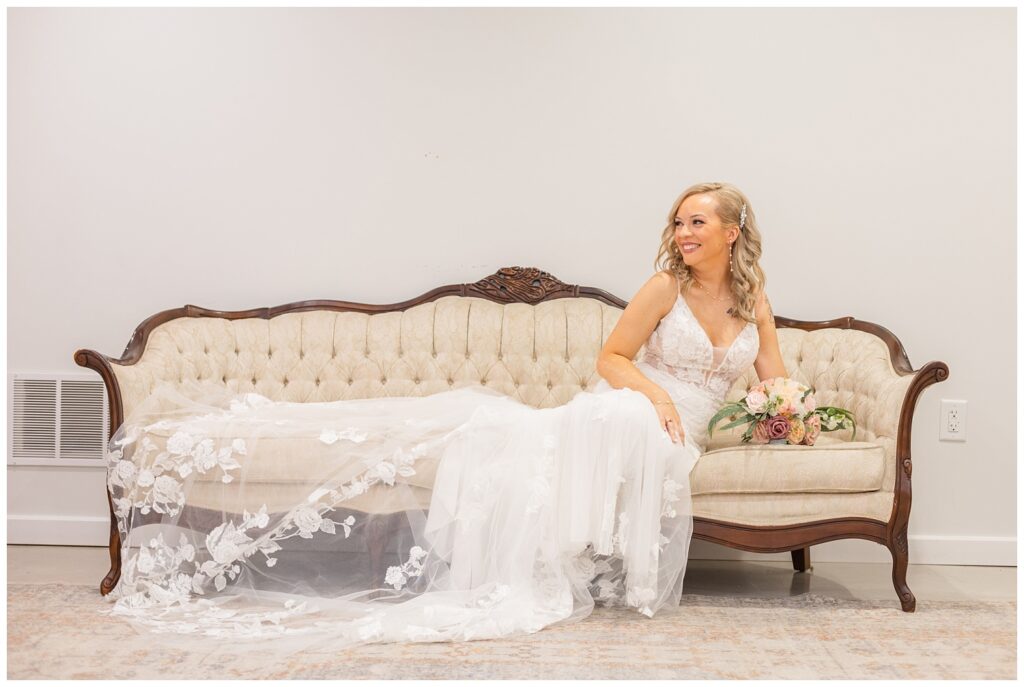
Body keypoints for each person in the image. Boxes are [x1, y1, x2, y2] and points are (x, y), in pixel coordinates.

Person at [102, 181, 786, 652]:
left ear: (733, 231)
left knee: (658, 443)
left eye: (698, 221)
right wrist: (658, 396)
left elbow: (773, 376)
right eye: (678, 220)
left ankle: (616, 549)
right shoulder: (663, 285)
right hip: (634, 407)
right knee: (636, 429)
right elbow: (612, 357)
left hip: (680, 426)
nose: (683, 231)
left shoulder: (753, 299)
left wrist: (790, 413)